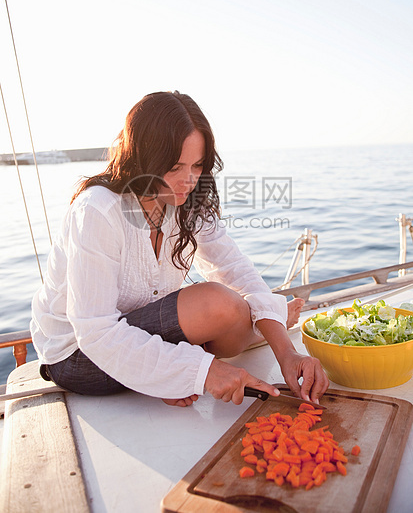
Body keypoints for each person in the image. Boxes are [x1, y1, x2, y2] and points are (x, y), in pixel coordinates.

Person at [31, 91, 328, 407]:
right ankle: (272, 316)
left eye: (198, 165)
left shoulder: (187, 202)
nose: (189, 180)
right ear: (144, 159)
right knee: (219, 302)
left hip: (145, 335)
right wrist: (204, 372)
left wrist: (287, 353)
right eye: (174, 166)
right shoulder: (98, 211)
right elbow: (97, 334)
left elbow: (234, 268)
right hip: (80, 356)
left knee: (239, 316)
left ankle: (268, 320)